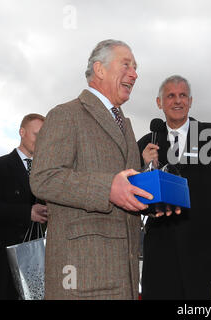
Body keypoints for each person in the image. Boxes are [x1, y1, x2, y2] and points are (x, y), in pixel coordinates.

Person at [30, 40, 157, 300]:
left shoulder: (127, 126)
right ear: (99, 69)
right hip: (82, 282)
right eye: (126, 64)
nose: (134, 74)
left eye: (136, 67)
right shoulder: (65, 114)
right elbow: (44, 177)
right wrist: (106, 188)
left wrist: (155, 202)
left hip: (125, 278)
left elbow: (127, 188)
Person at [138, 75, 211, 299]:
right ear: (159, 103)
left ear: (190, 101)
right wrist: (144, 168)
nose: (177, 101)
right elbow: (139, 202)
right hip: (161, 257)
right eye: (170, 96)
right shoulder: (144, 144)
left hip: (208, 254)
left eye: (182, 95)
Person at [0, 113, 47, 300]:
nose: (40, 141)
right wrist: (26, 213)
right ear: (22, 132)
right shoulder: (1, 166)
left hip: (37, 257)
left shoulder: (46, 172)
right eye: (36, 135)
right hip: (4, 261)